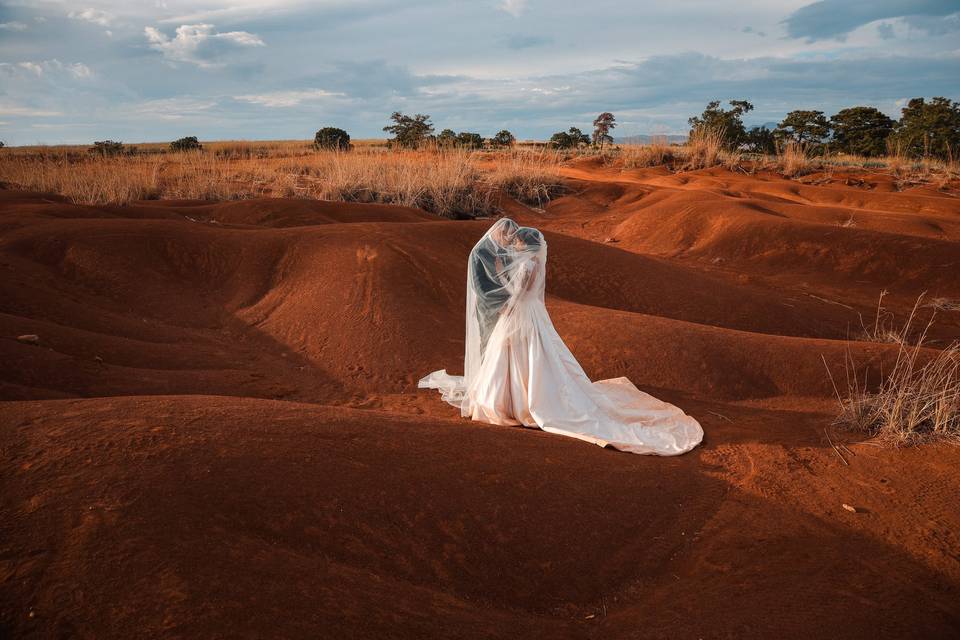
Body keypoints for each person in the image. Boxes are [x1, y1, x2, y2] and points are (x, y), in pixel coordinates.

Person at [419, 218, 703, 456]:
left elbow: (517, 292)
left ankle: (516, 402)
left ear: (525, 245)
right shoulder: (534, 262)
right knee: (535, 355)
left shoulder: (527, 265)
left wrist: (502, 290)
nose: (513, 243)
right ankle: (522, 397)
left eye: (517, 242)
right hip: (531, 313)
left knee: (518, 355)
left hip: (520, 312)